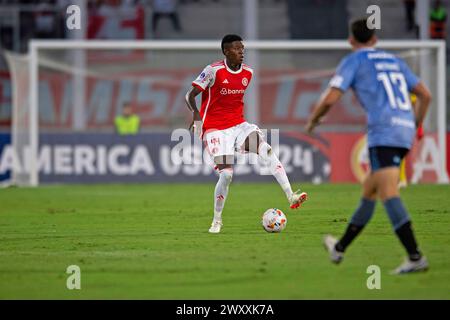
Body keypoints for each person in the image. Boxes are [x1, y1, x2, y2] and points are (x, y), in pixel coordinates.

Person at [306, 19, 432, 274]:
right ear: (375, 39)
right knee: (370, 191)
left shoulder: (354, 61)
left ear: (351, 40)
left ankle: (415, 256)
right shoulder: (395, 61)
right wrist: (415, 124)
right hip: (403, 130)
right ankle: (339, 248)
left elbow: (331, 97)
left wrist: (314, 120)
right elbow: (425, 95)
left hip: (384, 132)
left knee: (388, 193)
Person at [185, 34, 307, 234]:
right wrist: (196, 116)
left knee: (266, 150)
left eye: (242, 48)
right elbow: (189, 95)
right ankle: (217, 220)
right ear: (226, 51)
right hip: (215, 129)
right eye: (236, 49)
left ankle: (291, 195)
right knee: (226, 175)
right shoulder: (213, 71)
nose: (241, 52)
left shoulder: (248, 73)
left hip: (239, 125)